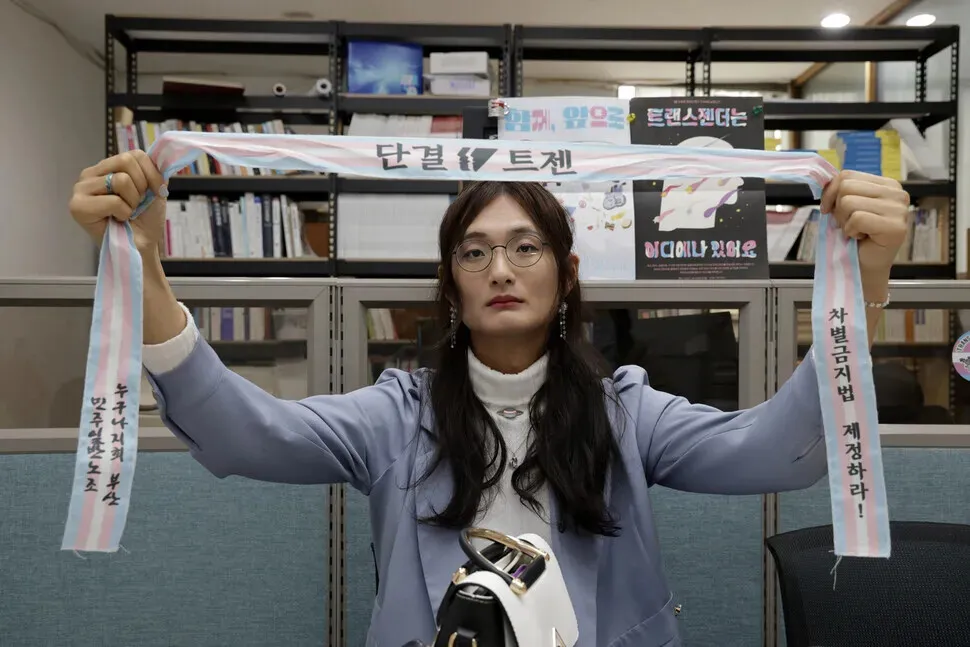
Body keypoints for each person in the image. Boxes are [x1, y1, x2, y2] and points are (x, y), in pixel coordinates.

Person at [69, 150, 910, 647]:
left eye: (525, 246)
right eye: (474, 253)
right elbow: (239, 432)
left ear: (566, 274)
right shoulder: (397, 415)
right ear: (451, 286)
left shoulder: (627, 409)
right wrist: (142, 265)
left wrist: (861, 284)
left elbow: (785, 451)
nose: (500, 269)